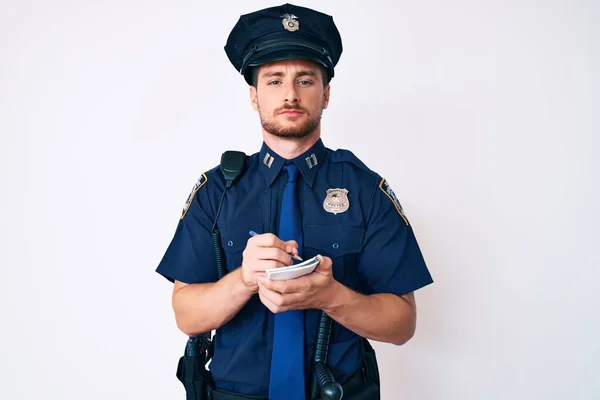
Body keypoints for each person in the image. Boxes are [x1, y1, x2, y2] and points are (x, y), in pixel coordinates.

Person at [156, 3, 433, 399]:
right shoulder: (216, 191)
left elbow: (403, 324)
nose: (289, 94)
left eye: (305, 81)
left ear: (326, 94)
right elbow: (186, 313)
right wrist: (244, 280)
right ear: (254, 96)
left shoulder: (366, 191)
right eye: (273, 81)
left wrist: (330, 296)